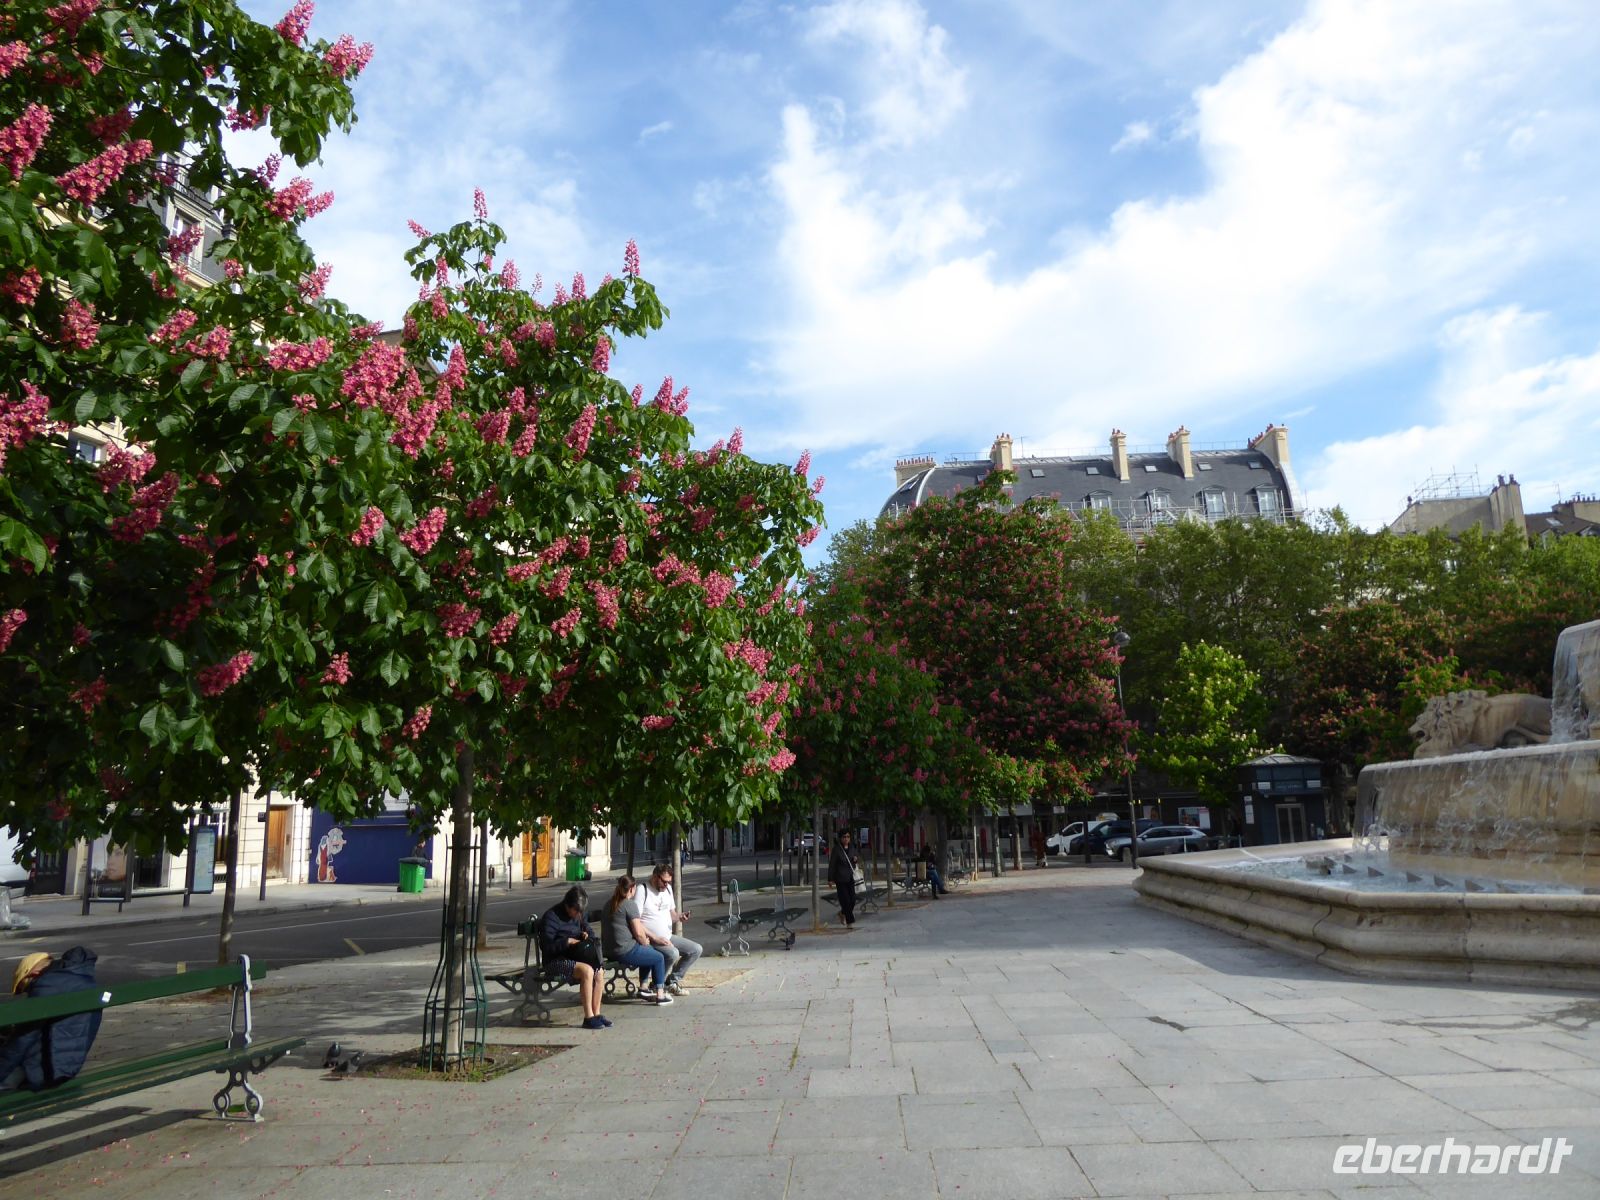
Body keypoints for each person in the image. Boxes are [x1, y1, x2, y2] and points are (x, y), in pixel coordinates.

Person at [0, 947, 103, 1092]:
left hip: (47, 1071)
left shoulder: (46, 986)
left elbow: (23, 1040)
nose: (29, 993)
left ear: (33, 973)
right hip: (69, 1064)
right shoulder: (82, 978)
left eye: (28, 987)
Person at [537, 886, 608, 1029]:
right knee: (587, 971)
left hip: (575, 956)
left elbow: (589, 931)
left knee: (599, 970)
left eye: (580, 911)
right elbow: (547, 946)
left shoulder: (578, 915)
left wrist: (586, 936)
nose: (578, 914)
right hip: (555, 961)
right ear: (567, 905)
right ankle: (588, 1017)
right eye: (575, 911)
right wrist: (566, 942)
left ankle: (597, 1013)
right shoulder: (552, 917)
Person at [601, 875, 672, 1004]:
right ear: (632, 889)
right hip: (623, 950)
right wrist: (645, 941)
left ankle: (644, 988)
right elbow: (639, 933)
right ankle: (660, 995)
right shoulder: (629, 904)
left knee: (648, 950)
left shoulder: (609, 903)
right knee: (658, 957)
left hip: (608, 950)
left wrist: (645, 944)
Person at [636, 863, 701, 996]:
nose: (666, 885)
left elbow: (671, 914)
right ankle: (656, 984)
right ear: (655, 876)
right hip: (650, 939)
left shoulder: (668, 890)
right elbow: (635, 921)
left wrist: (680, 917)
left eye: (668, 882)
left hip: (667, 936)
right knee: (673, 953)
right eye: (664, 882)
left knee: (696, 949)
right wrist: (655, 937)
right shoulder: (642, 890)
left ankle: (671, 981)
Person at [828, 828, 859, 928]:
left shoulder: (852, 847)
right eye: (844, 837)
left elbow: (854, 861)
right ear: (840, 838)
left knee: (853, 900)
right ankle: (850, 922)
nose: (846, 839)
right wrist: (830, 879)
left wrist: (855, 860)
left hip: (850, 877)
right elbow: (832, 864)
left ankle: (842, 913)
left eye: (848, 837)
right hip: (840, 878)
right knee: (845, 900)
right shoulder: (836, 849)